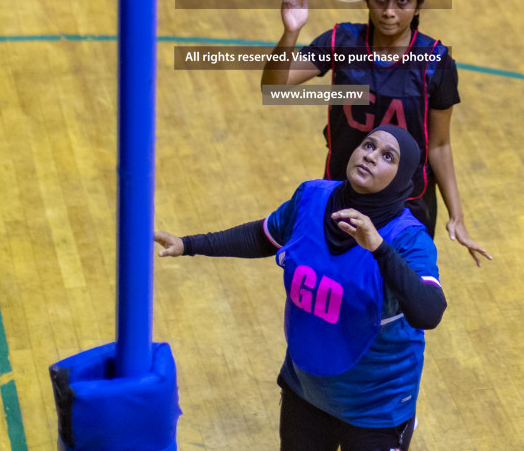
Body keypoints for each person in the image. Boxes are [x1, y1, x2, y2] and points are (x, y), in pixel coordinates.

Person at [155, 126, 447, 451]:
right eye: (368, 145)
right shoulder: (312, 197)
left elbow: (429, 311)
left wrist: (378, 248)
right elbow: (263, 236)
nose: (370, 155)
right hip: (305, 390)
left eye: (387, 156)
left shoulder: (409, 239)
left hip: (376, 409)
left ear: (401, 176)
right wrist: (189, 244)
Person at [261, 0, 491, 266]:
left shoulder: (435, 62)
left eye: (402, 1)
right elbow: (275, 87)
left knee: (393, 300)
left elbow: (438, 145)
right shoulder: (341, 41)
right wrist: (290, 33)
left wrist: (457, 215)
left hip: (406, 209)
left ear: (418, 4)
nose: (389, 12)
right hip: (343, 196)